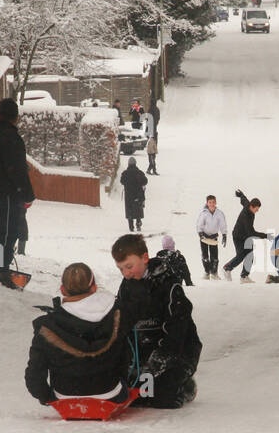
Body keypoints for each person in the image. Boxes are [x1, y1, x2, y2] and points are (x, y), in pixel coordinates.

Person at [112, 233, 202, 408]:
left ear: (144, 258)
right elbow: (121, 320)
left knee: (163, 399)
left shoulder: (168, 284)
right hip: (143, 353)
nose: (126, 273)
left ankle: (183, 384)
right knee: (134, 398)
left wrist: (161, 358)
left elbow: (178, 327)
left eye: (129, 266)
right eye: (121, 269)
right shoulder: (127, 286)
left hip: (175, 352)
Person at [25, 262, 132, 405]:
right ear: (94, 287)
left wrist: (46, 397)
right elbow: (125, 359)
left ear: (63, 289)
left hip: (64, 396)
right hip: (110, 394)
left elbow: (34, 374)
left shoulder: (48, 325)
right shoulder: (116, 316)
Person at [0, 97, 36, 287]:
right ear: (15, 117)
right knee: (7, 232)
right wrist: (27, 194)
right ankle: (0, 270)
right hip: (5, 193)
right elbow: (17, 170)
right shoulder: (12, 138)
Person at [223, 189, 266, 283]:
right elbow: (251, 233)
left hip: (245, 237)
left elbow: (244, 200)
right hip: (238, 236)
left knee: (250, 254)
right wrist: (264, 236)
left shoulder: (248, 205)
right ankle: (227, 268)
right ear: (252, 206)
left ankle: (244, 276)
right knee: (241, 255)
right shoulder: (246, 216)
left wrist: (241, 195)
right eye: (256, 209)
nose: (257, 211)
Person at [195, 194, 228, 280]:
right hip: (204, 237)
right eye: (210, 202)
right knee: (205, 256)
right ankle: (206, 272)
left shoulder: (219, 213)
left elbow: (222, 224)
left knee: (214, 257)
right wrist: (200, 234)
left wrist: (224, 234)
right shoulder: (204, 213)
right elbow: (199, 224)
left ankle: (214, 273)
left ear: (216, 202)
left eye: (213, 202)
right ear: (207, 203)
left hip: (213, 237)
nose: (212, 204)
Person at [120, 157, 147, 231]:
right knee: (138, 208)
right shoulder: (139, 173)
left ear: (128, 164)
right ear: (135, 164)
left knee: (129, 210)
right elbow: (145, 181)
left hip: (129, 195)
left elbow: (122, 181)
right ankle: (138, 223)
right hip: (138, 194)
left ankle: (131, 227)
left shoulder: (125, 173)